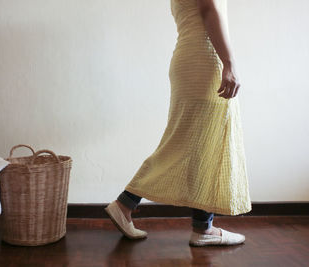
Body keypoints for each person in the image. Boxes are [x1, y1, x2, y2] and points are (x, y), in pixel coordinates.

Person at [105, 0, 252, 246]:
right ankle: (125, 204)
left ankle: (202, 228)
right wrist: (229, 62)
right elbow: (209, 9)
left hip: (191, 59)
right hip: (204, 61)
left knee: (200, 147)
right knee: (192, 145)